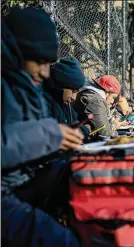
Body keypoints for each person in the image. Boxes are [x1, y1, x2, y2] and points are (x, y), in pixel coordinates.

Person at [1, 7, 86, 247]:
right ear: (15, 51)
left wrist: (64, 145)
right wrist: (50, 135)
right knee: (61, 241)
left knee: (85, 175)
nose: (46, 72)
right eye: (39, 61)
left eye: (50, 62)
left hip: (22, 181)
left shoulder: (26, 85)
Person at [43, 57, 90, 139]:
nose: (74, 97)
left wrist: (84, 130)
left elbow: (74, 124)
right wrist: (83, 130)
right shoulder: (44, 100)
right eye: (73, 91)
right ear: (60, 86)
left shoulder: (66, 104)